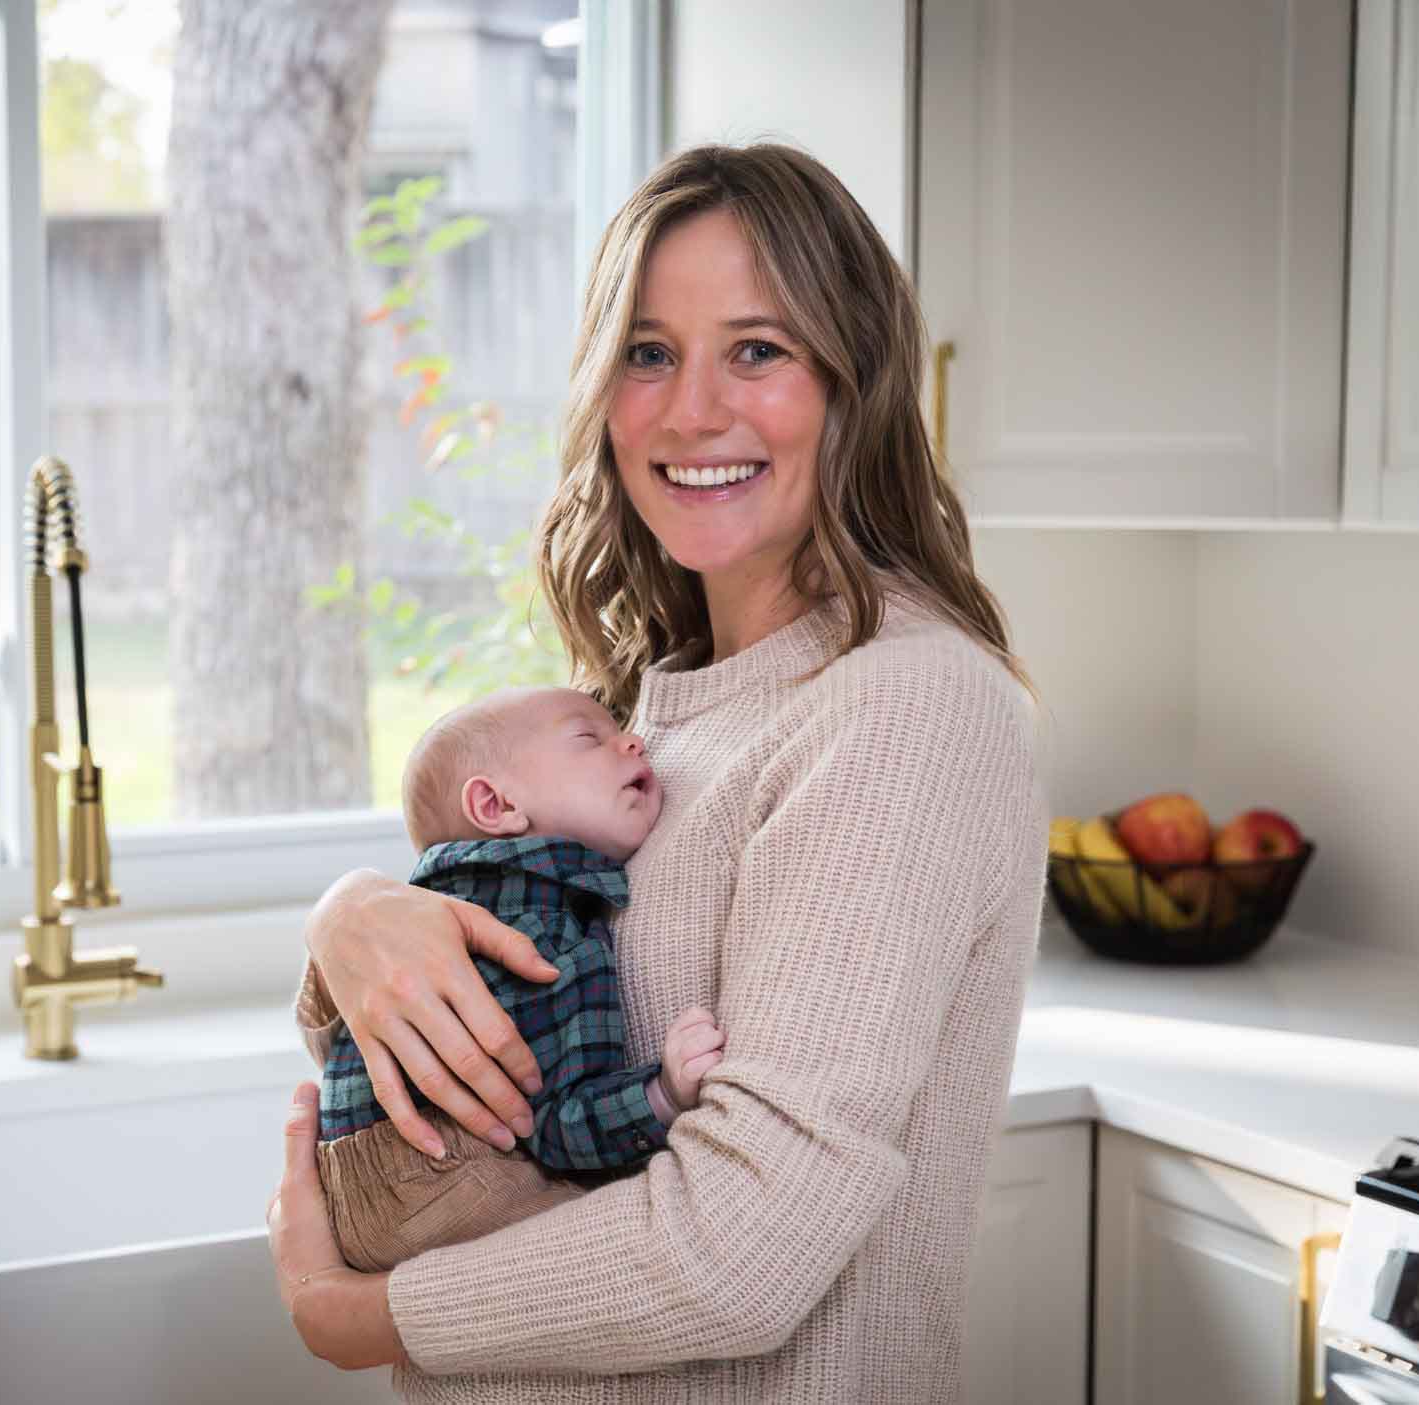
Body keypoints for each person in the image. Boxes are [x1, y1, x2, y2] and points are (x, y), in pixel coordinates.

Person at [267, 141, 1049, 1403]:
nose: (691, 409)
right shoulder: (651, 709)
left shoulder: (906, 708)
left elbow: (737, 1249)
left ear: (855, 384)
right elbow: (488, 1014)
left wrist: (351, 1318)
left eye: (758, 348)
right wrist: (347, 919)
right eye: (647, 350)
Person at [314, 685, 726, 1273]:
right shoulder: (542, 936)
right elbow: (556, 1126)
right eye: (591, 739)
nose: (635, 741)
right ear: (496, 806)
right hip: (437, 1184)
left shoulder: (434, 911)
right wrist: (661, 1094)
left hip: (360, 1190)